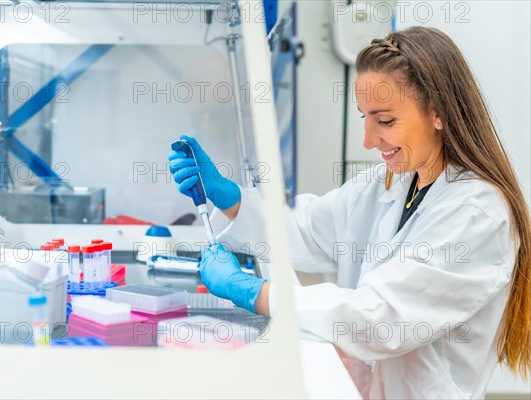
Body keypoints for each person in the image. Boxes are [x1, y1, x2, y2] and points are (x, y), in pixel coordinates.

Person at [168, 27, 531, 399]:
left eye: (385, 121)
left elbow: (378, 318)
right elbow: (306, 230)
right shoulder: (392, 182)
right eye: (365, 117)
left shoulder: (478, 215)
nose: (369, 141)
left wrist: (256, 292)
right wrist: (230, 198)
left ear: (438, 112)